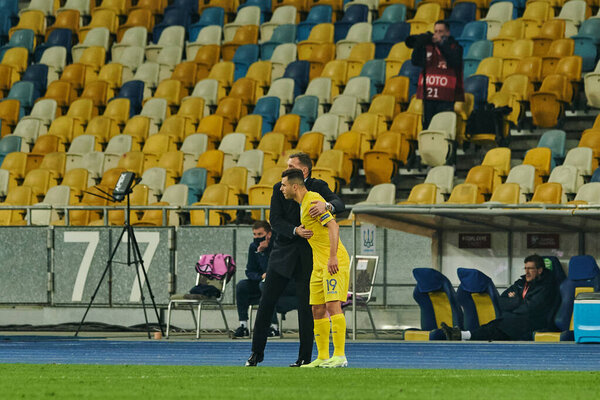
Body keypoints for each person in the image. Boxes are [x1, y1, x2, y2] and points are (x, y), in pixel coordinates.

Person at [245, 152, 345, 367]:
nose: (286, 169)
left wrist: (327, 206)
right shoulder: (278, 188)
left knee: (308, 307)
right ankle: (256, 353)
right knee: (266, 301)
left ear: (304, 171)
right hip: (282, 252)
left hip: (309, 256)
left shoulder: (318, 187)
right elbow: (275, 220)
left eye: (291, 165)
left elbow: (339, 203)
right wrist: (294, 230)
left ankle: (305, 357)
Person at [280, 168, 350, 368]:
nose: (281, 189)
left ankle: (340, 356)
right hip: (318, 263)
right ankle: (322, 357)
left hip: (332, 261)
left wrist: (333, 256)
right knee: (317, 308)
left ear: (294, 186)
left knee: (332, 305)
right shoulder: (303, 204)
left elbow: (334, 226)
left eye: (284, 185)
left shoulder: (312, 200)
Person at [442, 254, 559, 341]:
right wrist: (520, 302)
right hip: (515, 320)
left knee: (497, 327)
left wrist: (515, 300)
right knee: (494, 326)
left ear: (539, 270)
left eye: (530, 269)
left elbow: (531, 308)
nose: (527, 272)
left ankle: (463, 335)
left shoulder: (546, 286)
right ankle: (462, 335)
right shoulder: (520, 283)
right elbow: (501, 302)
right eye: (525, 268)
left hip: (534, 323)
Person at [405, 20, 464, 129]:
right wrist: (419, 45)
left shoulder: (455, 47)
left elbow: (454, 61)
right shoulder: (429, 47)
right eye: (435, 31)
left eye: (440, 31)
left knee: (442, 127)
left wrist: (441, 43)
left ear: (448, 33)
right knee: (428, 127)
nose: (437, 34)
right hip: (429, 94)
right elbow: (415, 61)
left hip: (446, 95)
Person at [233, 221, 280, 338]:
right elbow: (249, 271)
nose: (256, 237)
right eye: (254, 234)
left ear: (268, 234)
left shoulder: (278, 245)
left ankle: (274, 326)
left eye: (259, 234)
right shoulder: (253, 247)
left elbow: (276, 266)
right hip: (260, 281)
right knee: (241, 286)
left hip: (277, 283)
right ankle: (243, 325)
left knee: (265, 286)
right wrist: (260, 277)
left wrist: (264, 253)